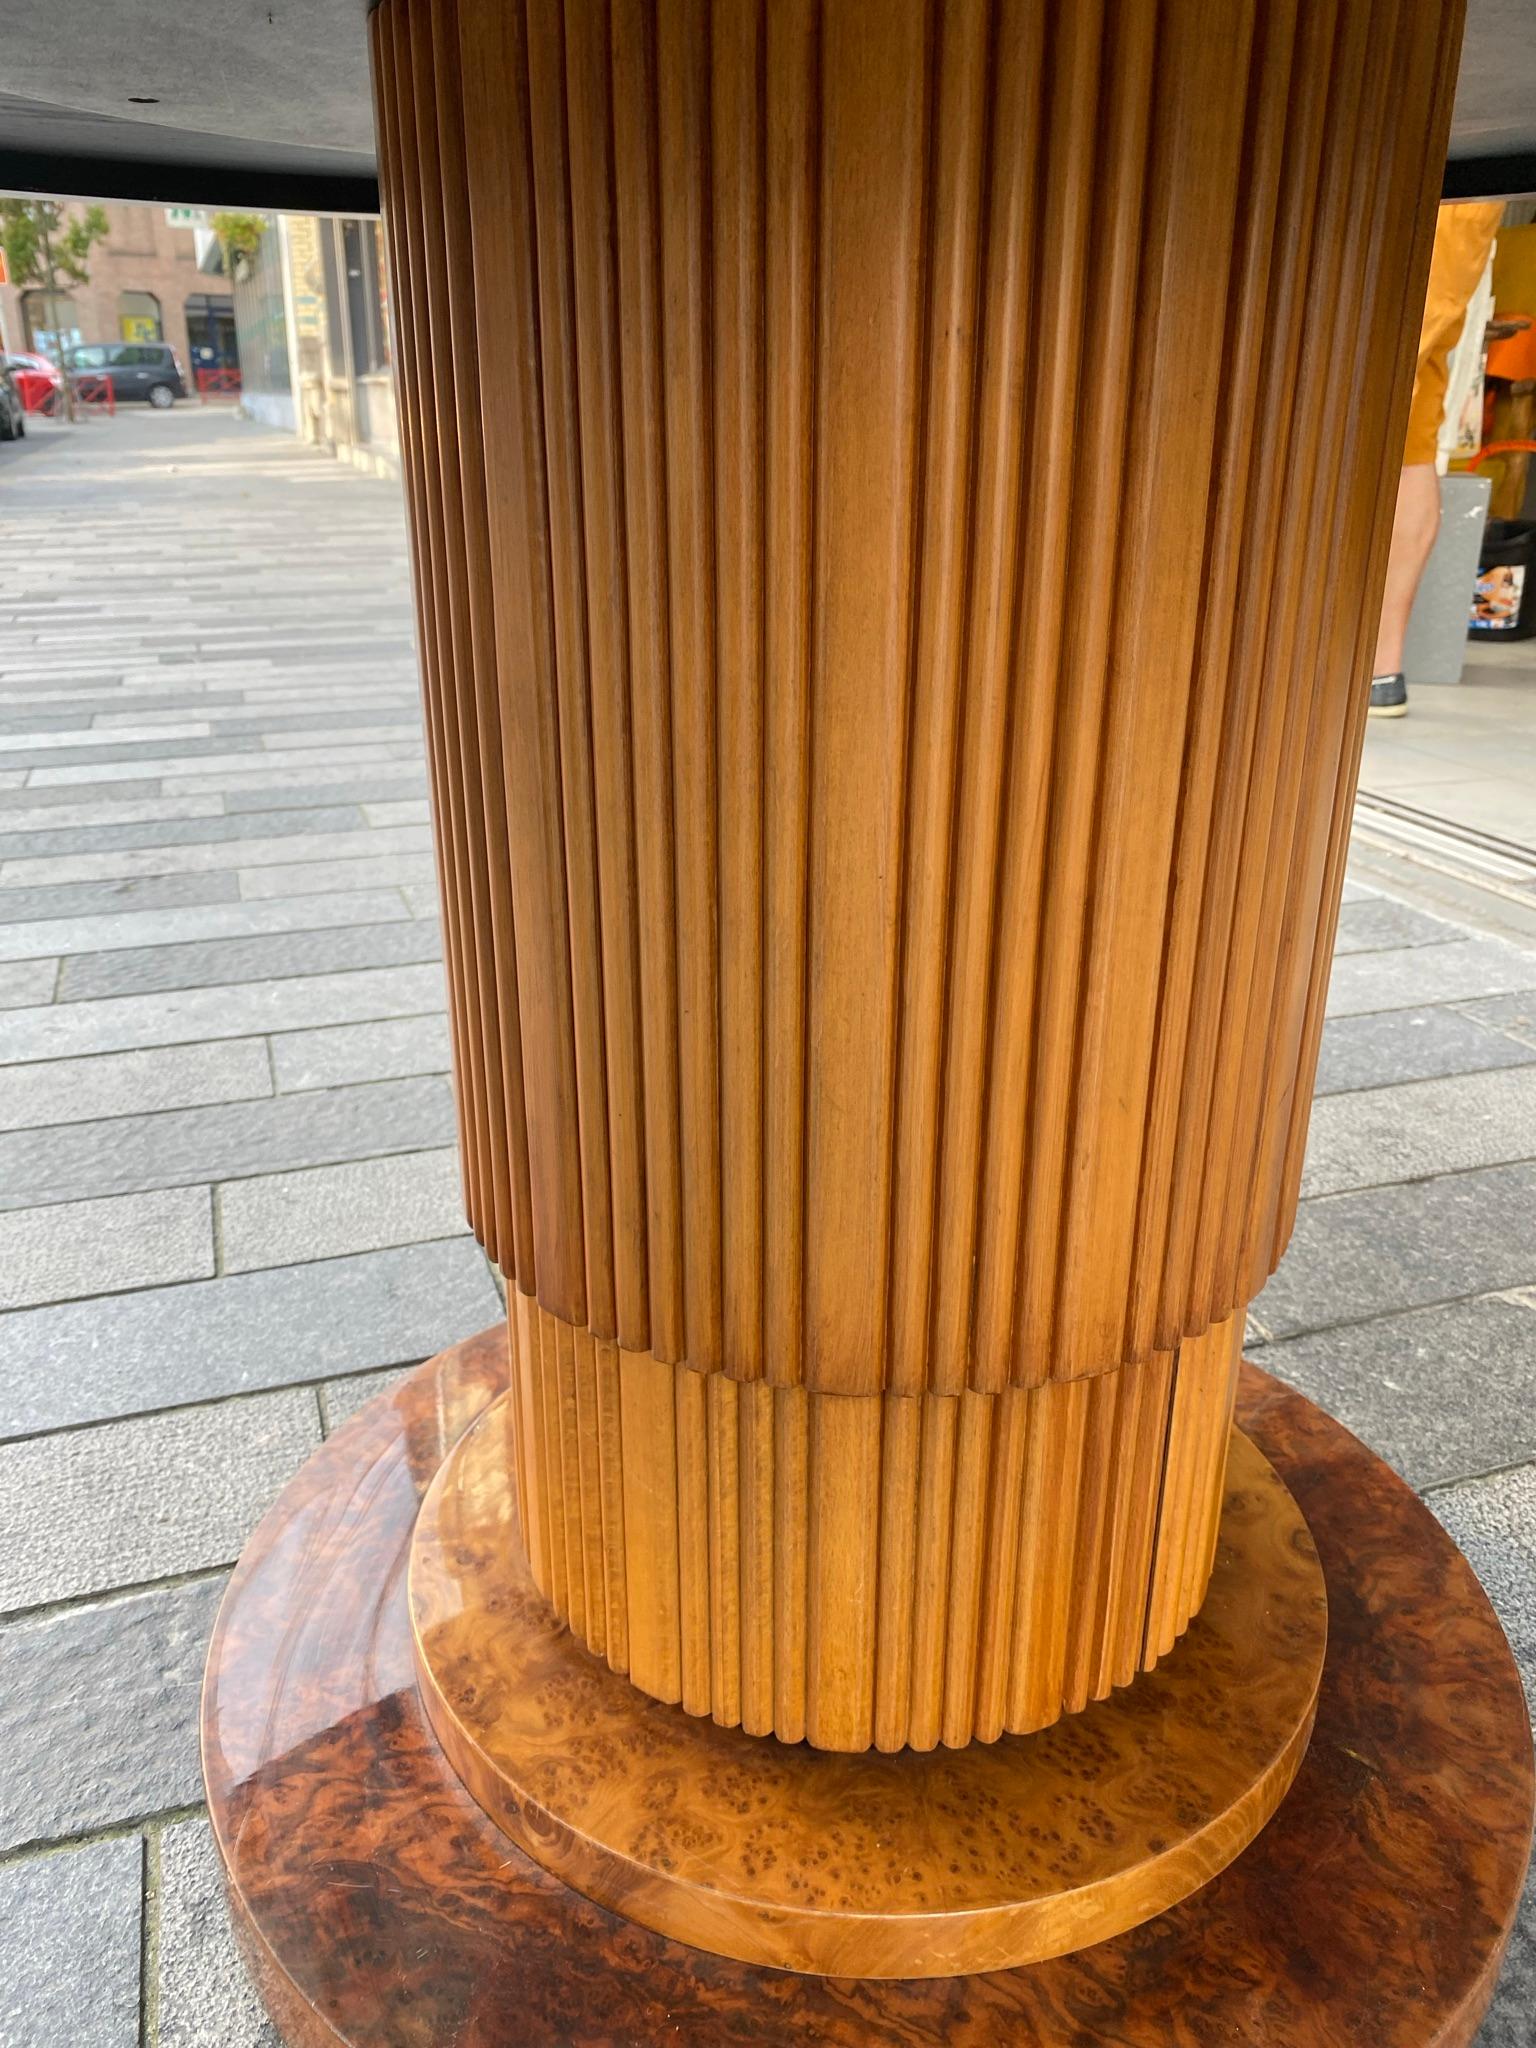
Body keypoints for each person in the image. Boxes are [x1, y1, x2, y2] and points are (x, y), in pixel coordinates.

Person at [1370, 199, 1504, 717]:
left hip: (1446, 166)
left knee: (1383, 371)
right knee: (1409, 402)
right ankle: (1379, 669)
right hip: (1452, 178)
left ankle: (1374, 663)